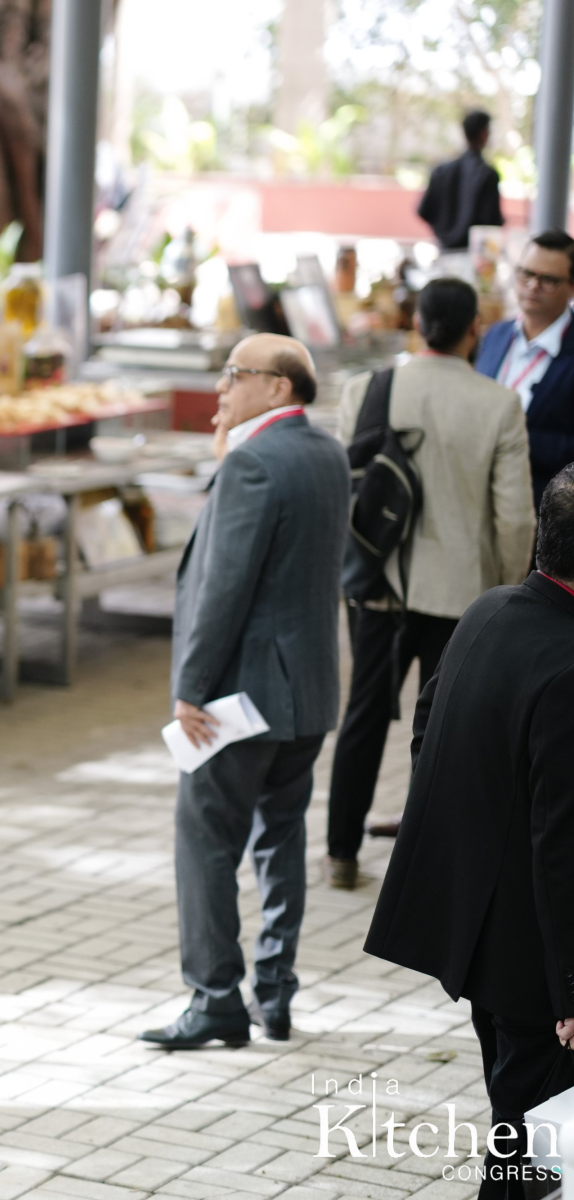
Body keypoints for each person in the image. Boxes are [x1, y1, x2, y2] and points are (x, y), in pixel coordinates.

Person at [364, 466, 574, 1200]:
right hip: (536, 964)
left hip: (483, 940)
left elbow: (429, 730)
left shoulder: (489, 611)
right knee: (535, 1155)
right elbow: (561, 845)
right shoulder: (567, 665)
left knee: (519, 1125)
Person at [139, 334, 350, 1050]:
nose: (222, 387)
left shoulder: (253, 461)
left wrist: (190, 687)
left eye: (236, 374)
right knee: (281, 837)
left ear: (279, 388)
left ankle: (215, 998)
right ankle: (276, 991)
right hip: (309, 689)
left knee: (205, 839)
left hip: (242, 696)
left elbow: (223, 588)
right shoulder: (325, 451)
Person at [325, 278, 535, 888]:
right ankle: (424, 868)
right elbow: (515, 518)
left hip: (379, 587)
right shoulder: (499, 404)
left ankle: (341, 854)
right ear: (475, 330)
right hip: (463, 597)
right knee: (444, 730)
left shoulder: (367, 390)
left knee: (364, 716)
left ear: (416, 324)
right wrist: (505, 591)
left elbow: (347, 494)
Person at [476, 231, 574, 505]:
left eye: (548, 280)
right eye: (526, 274)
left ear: (571, 287)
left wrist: (513, 437)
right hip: (477, 498)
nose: (533, 286)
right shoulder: (495, 335)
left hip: (540, 509)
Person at [417, 110, 505, 252]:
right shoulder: (487, 175)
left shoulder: (441, 171)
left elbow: (424, 210)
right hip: (473, 254)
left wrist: (444, 232)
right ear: (484, 133)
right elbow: (491, 223)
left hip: (443, 251)